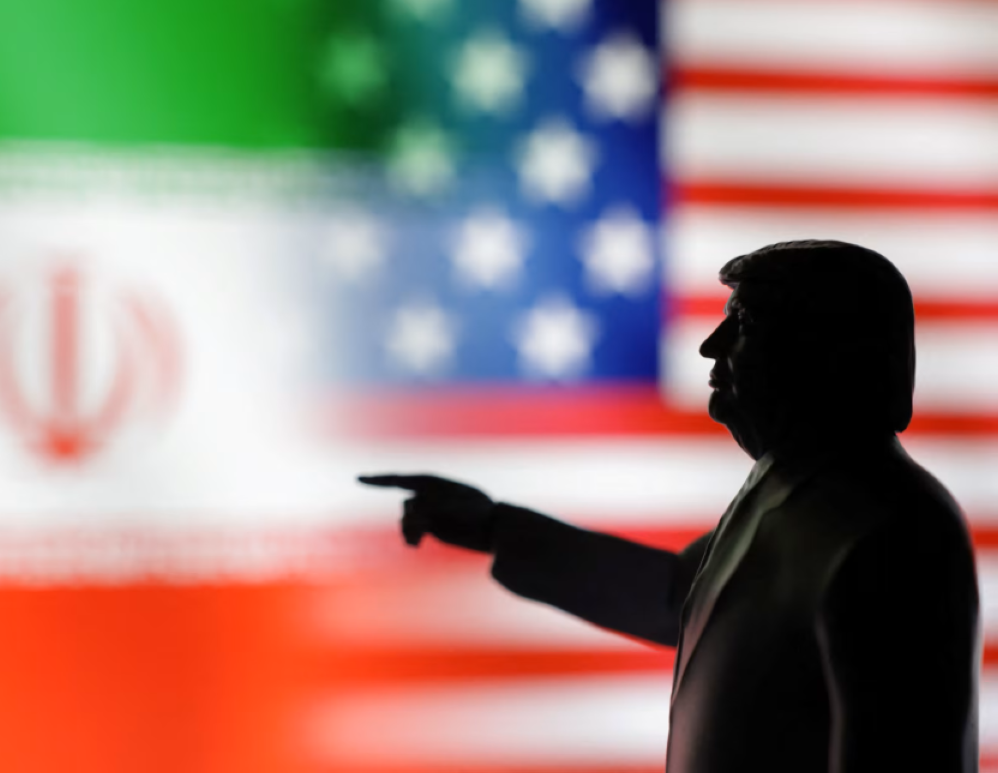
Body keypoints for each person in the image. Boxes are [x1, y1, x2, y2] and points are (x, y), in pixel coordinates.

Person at [359, 240, 981, 773]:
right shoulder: (791, 490)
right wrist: (495, 527)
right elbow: (677, 595)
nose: (712, 346)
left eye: (745, 323)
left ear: (823, 349)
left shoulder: (896, 528)